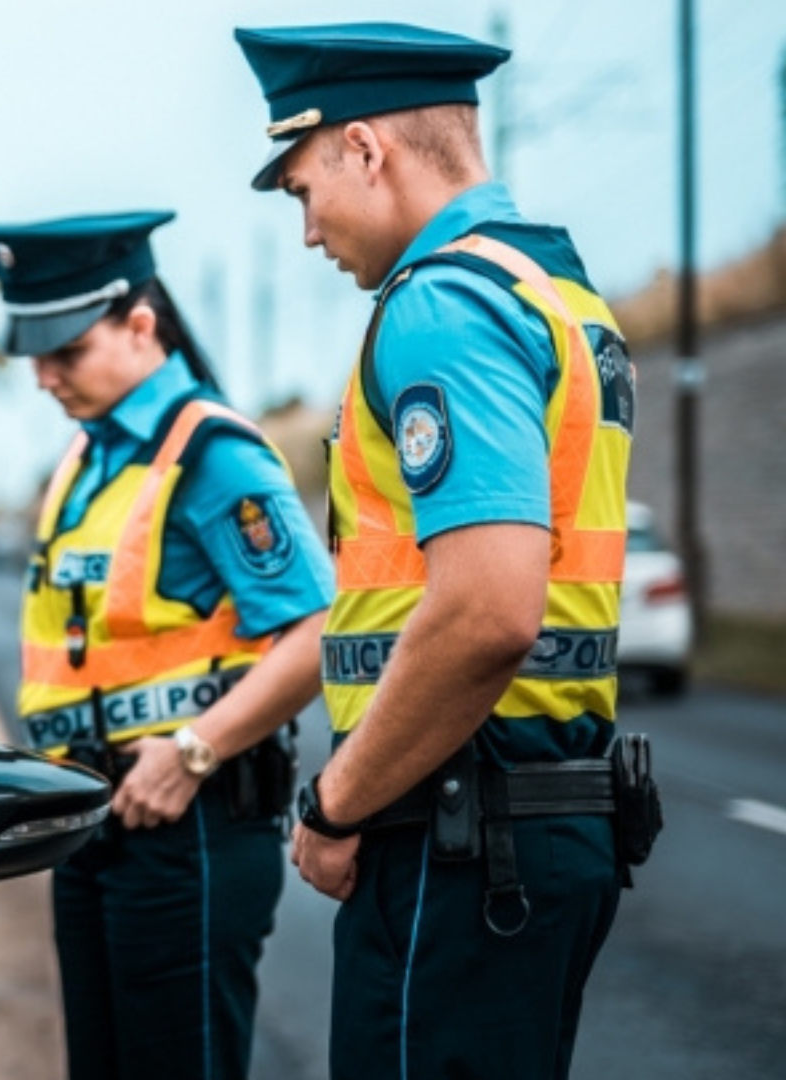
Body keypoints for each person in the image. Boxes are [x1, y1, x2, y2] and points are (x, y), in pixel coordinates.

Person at [235, 22, 647, 1080]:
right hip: (537, 820)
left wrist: (335, 804)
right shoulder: (557, 295)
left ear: (365, 150)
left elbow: (486, 612)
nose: (308, 232)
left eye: (300, 189)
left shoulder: (440, 307)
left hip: (459, 837)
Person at [0, 211, 335, 1080]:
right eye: (33, 352)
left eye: (65, 351)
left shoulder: (212, 453)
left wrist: (192, 752)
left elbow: (320, 629)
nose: (43, 376)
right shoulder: (88, 457)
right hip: (93, 825)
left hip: (188, 827)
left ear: (141, 324)